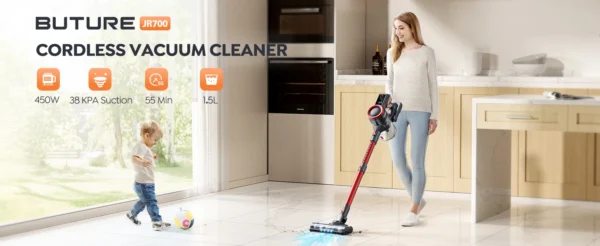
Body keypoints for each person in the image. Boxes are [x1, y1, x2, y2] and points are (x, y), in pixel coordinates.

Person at [384, 12, 439, 227]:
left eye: (401, 28)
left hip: (421, 111)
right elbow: (389, 82)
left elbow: (433, 86)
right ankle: (417, 197)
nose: (397, 32)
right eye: (396, 28)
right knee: (397, 159)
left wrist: (434, 116)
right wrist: (388, 98)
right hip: (396, 111)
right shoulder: (392, 53)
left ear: (412, 29)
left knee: (417, 162)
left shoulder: (427, 53)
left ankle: (414, 208)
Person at [125, 120, 171, 231]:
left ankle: (132, 213)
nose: (155, 142)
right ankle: (156, 222)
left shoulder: (145, 147)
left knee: (144, 201)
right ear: (147, 136)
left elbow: (143, 156)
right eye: (155, 139)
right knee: (151, 202)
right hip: (143, 183)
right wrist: (143, 163)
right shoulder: (141, 146)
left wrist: (151, 157)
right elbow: (134, 158)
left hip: (145, 182)